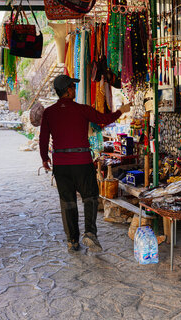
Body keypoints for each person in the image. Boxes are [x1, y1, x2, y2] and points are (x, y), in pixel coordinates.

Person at [39, 75, 131, 253]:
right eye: (73, 87)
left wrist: (45, 159)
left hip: (61, 165)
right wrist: (121, 110)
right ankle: (89, 233)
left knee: (68, 203)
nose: (75, 90)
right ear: (67, 90)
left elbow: (43, 139)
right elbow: (104, 119)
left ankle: (72, 240)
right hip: (82, 163)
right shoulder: (82, 110)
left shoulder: (49, 112)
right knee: (90, 197)